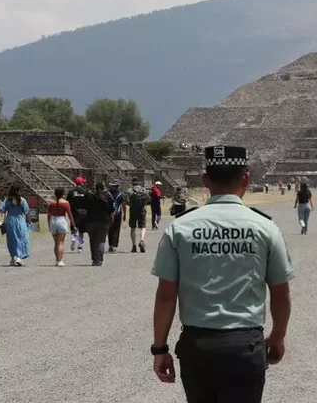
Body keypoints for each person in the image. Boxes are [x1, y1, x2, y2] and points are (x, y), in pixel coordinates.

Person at [150, 145, 294, 403]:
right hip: (244, 346)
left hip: (197, 346)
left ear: (205, 179)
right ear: (246, 178)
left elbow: (166, 296)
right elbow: (280, 292)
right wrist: (277, 336)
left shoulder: (180, 228)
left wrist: (160, 348)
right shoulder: (265, 228)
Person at [0, 185, 31, 267]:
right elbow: (27, 212)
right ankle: (19, 257)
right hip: (20, 221)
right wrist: (29, 222)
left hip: (10, 221)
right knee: (21, 238)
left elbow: (2, 210)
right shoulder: (22, 200)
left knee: (11, 239)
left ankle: (12, 258)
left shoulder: (7, 200)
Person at [85, 182, 115, 266]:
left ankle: (95, 258)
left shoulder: (89, 197)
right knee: (101, 241)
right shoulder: (108, 197)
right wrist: (112, 220)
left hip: (90, 221)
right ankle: (99, 259)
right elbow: (112, 211)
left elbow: (85, 208)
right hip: (104, 221)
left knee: (93, 241)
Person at [47, 188, 76, 267]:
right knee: (60, 242)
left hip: (53, 220)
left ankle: (57, 259)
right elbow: (70, 215)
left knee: (56, 243)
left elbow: (49, 215)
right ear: (62, 194)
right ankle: (60, 260)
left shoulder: (51, 203)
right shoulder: (65, 203)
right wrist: (73, 225)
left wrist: (49, 224)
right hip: (61, 220)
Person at [125, 176, 151, 253]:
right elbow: (149, 199)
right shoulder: (143, 190)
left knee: (133, 228)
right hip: (142, 210)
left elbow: (126, 201)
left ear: (132, 182)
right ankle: (142, 240)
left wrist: (131, 205)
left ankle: (134, 246)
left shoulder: (130, 190)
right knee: (143, 227)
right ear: (139, 182)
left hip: (133, 211)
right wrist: (144, 203)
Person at [68, 176, 90, 253]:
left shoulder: (71, 191)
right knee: (81, 231)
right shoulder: (86, 192)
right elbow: (88, 202)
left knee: (74, 228)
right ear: (81, 183)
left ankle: (74, 239)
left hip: (74, 212)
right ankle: (80, 247)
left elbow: (68, 202)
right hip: (83, 213)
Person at [106, 181, 125, 253]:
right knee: (115, 230)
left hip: (110, 214)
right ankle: (113, 245)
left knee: (111, 230)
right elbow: (123, 204)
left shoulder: (108, 194)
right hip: (117, 213)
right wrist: (124, 214)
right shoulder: (120, 195)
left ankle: (111, 245)